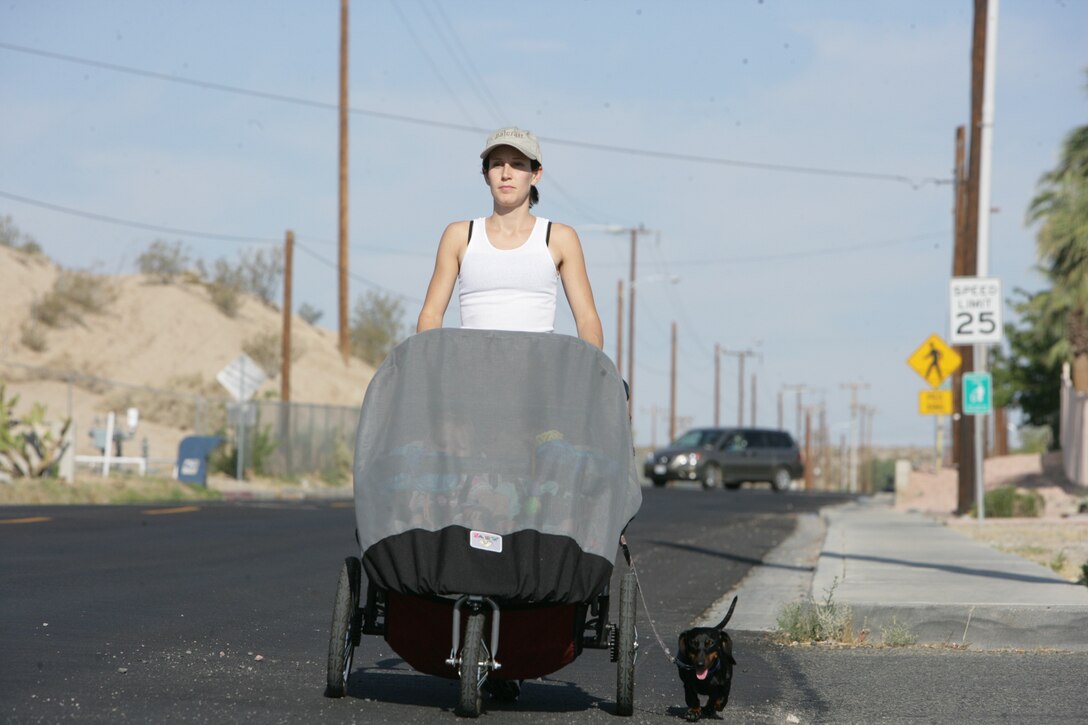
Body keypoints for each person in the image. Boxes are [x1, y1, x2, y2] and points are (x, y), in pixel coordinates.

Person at [416, 127, 604, 348]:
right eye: (497, 164)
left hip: (539, 374)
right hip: (470, 372)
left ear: (536, 174)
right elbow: (431, 314)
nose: (506, 173)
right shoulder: (459, 236)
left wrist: (591, 374)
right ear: (486, 174)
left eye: (518, 164)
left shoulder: (560, 238)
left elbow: (587, 319)